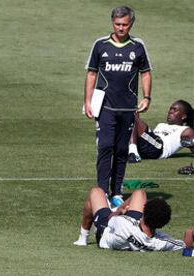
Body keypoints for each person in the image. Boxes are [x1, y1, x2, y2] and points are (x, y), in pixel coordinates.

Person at [84, 6, 152, 207]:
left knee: (122, 150)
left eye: (125, 24)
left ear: (131, 24)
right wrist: (87, 100)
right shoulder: (101, 45)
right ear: (112, 23)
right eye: (117, 24)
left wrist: (147, 97)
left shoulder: (137, 47)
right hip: (105, 107)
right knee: (105, 146)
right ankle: (102, 192)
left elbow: (146, 73)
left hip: (128, 108)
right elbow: (91, 73)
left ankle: (117, 192)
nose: (121, 28)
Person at [73, 187, 186, 251]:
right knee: (139, 193)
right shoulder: (160, 242)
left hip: (106, 231)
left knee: (96, 192)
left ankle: (83, 238)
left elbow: (111, 218)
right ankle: (120, 207)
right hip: (134, 227)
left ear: (144, 213)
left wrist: (120, 211)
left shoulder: (122, 223)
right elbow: (182, 244)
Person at [128, 100, 194, 163]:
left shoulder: (186, 130)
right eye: (170, 109)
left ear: (183, 116)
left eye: (175, 110)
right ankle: (130, 150)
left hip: (159, 149)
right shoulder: (161, 125)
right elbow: (147, 137)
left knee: (132, 115)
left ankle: (133, 153)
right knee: (130, 115)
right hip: (149, 145)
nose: (170, 111)